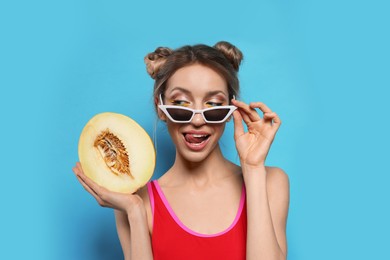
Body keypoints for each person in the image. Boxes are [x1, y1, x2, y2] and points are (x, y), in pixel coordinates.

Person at [72, 41, 290, 260]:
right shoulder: (137, 201)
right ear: (161, 108)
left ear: (231, 110)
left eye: (213, 105)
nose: (197, 120)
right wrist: (135, 211)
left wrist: (252, 169)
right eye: (181, 104)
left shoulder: (270, 182)